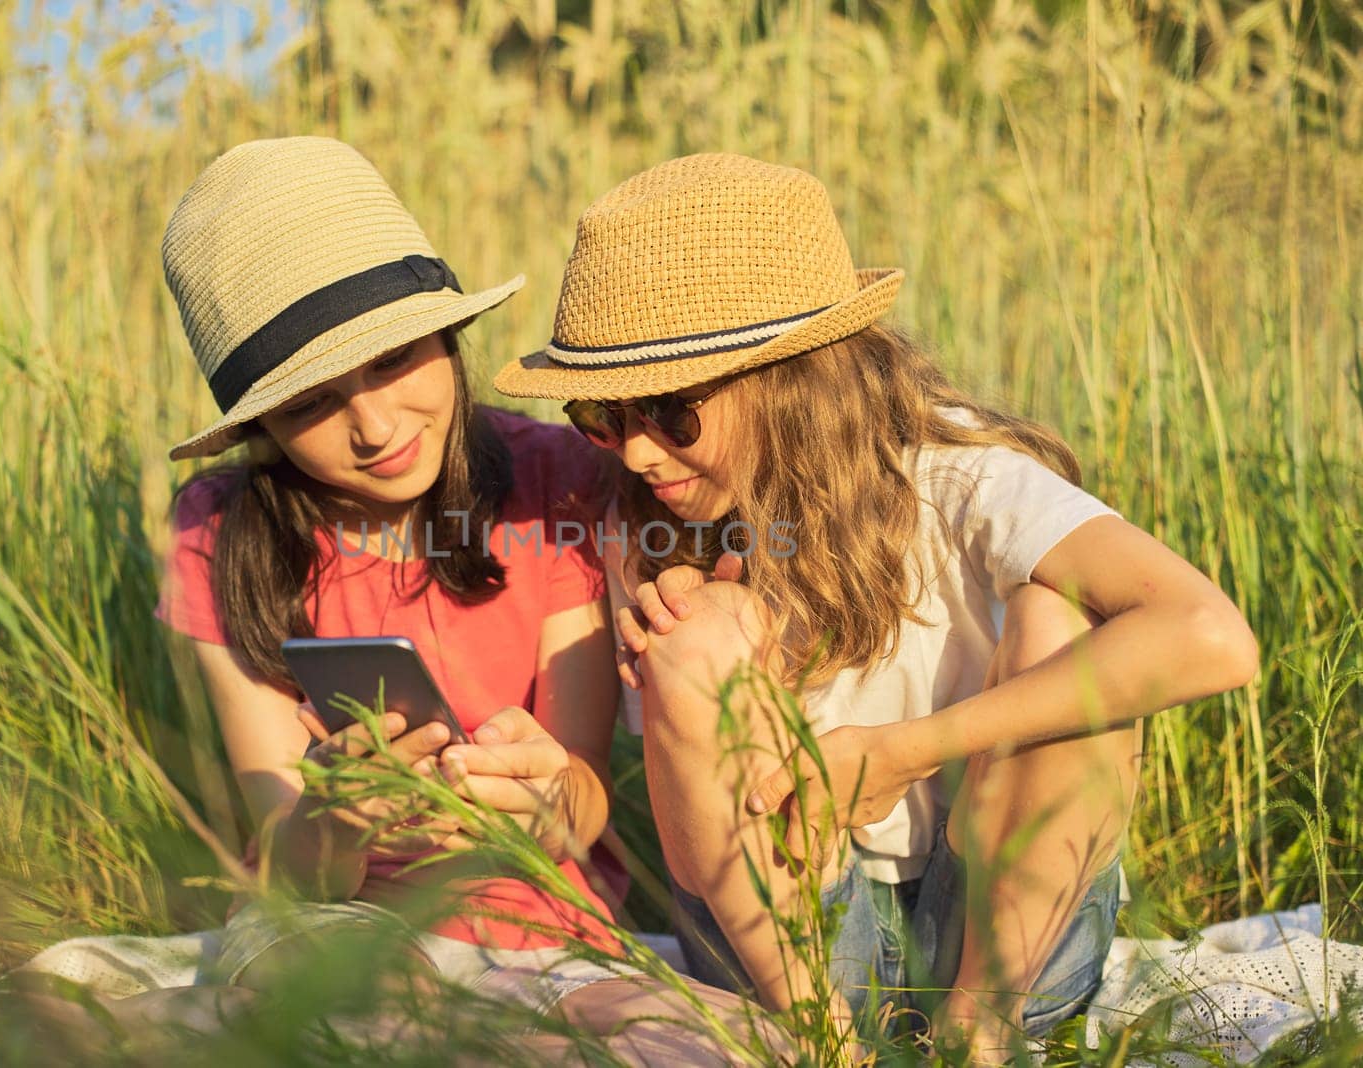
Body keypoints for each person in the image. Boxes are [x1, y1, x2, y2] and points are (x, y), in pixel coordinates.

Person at [492, 152, 1260, 1062]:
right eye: (604, 418)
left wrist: (900, 753)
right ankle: (826, 1047)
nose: (637, 455)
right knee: (692, 641)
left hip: (998, 928)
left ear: (792, 379)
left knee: (1062, 620)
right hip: (787, 952)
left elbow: (1211, 637)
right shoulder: (648, 529)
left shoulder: (960, 480)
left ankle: (982, 1039)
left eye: (669, 411)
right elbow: (700, 836)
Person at [153, 137, 781, 1064]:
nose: (372, 427)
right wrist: (336, 821)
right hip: (325, 926)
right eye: (308, 406)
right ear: (259, 429)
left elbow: (581, 800)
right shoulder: (220, 528)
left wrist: (543, 804)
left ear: (446, 338)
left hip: (542, 921)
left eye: (393, 359)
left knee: (714, 1045)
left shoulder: (552, 483)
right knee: (377, 1017)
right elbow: (286, 852)